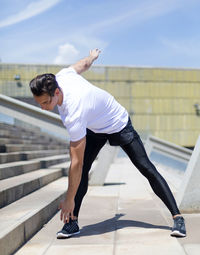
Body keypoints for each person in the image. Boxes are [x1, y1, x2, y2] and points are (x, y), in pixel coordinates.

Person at [29, 48, 186, 238]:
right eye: (40, 103)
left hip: (118, 123)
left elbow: (75, 163)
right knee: (84, 170)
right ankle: (72, 223)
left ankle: (177, 217)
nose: (44, 108)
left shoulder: (74, 112)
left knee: (146, 167)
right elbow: (83, 65)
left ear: (56, 91)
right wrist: (92, 57)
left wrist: (69, 199)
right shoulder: (62, 76)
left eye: (46, 102)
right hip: (95, 128)